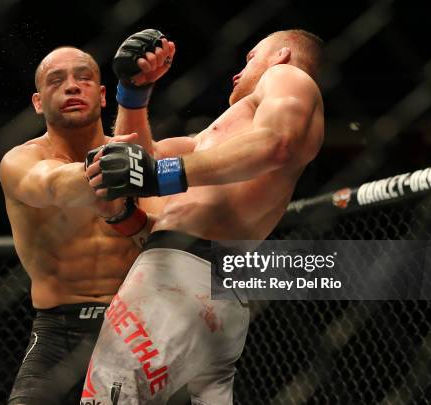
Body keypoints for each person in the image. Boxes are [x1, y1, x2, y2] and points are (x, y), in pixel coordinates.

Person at [83, 29, 324, 404]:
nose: (236, 72)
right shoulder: (214, 138)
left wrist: (159, 176)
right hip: (215, 285)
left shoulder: (288, 78)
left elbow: (275, 143)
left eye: (250, 58)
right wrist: (133, 93)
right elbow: (141, 164)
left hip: (181, 272)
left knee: (114, 394)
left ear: (281, 55)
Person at [0, 31, 175, 405]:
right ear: (37, 102)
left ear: (103, 95)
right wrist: (106, 171)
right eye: (56, 80)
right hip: (60, 332)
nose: (72, 87)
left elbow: (159, 237)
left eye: (84, 77)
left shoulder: (138, 152)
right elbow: (50, 184)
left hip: (138, 327)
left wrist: (129, 194)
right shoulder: (19, 161)